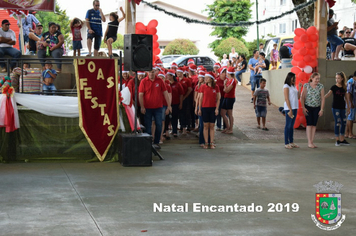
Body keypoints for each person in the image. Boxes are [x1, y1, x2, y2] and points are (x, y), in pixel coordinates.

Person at [139, 69, 171, 149]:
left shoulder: (160, 80)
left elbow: (165, 93)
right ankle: (148, 143)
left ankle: (156, 142)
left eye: (153, 72)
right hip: (147, 108)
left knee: (159, 125)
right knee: (148, 126)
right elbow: (140, 95)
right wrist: (142, 106)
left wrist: (169, 105)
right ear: (147, 73)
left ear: (155, 72)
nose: (151, 74)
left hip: (158, 108)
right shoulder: (143, 81)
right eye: (150, 72)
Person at [324, 71, 350, 146]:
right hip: (335, 107)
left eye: (338, 78)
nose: (337, 79)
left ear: (342, 78)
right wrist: (322, 98)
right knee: (337, 122)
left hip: (342, 107)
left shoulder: (344, 87)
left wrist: (348, 107)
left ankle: (342, 139)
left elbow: (346, 98)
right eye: (336, 78)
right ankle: (337, 140)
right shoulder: (334, 87)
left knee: (344, 122)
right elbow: (328, 94)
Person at [301, 72, 325, 148]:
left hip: (316, 107)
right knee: (309, 124)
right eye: (316, 79)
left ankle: (312, 141)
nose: (317, 80)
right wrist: (303, 107)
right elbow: (302, 97)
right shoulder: (306, 85)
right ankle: (309, 142)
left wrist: (321, 109)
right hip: (308, 107)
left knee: (314, 125)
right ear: (312, 78)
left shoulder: (321, 86)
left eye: (319, 79)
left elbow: (322, 98)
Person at [198, 71, 221, 149]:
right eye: (205, 78)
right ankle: (206, 142)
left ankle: (211, 142)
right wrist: (199, 108)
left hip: (213, 108)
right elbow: (200, 98)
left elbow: (218, 99)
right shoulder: (203, 86)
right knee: (205, 125)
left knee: (212, 126)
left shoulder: (216, 87)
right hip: (205, 108)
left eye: (207, 78)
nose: (206, 79)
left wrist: (217, 109)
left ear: (211, 79)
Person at [283, 72, 302, 149]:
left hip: (295, 107)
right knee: (288, 125)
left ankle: (291, 141)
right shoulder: (286, 86)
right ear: (289, 78)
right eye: (293, 78)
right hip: (289, 108)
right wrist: (290, 110)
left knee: (291, 126)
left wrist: (300, 88)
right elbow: (287, 99)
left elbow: (298, 97)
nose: (294, 79)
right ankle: (286, 142)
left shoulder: (293, 86)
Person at [166, 70, 183, 138]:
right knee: (167, 118)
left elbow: (181, 94)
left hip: (175, 103)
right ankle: (166, 131)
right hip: (167, 104)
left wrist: (181, 103)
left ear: (172, 76)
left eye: (168, 75)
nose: (167, 76)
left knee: (174, 117)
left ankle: (175, 131)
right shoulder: (166, 84)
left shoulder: (177, 84)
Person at [221, 66, 236, 134]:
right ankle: (227, 127)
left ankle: (231, 129)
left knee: (229, 113)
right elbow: (225, 90)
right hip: (226, 97)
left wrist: (224, 85)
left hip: (230, 98)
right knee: (222, 112)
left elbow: (226, 90)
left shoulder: (233, 81)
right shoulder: (228, 80)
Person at [345, 71, 356, 139]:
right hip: (351, 102)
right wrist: (351, 103)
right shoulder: (351, 82)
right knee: (350, 118)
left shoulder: (354, 82)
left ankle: (347, 133)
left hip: (353, 102)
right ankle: (350, 133)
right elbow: (348, 93)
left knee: (350, 117)